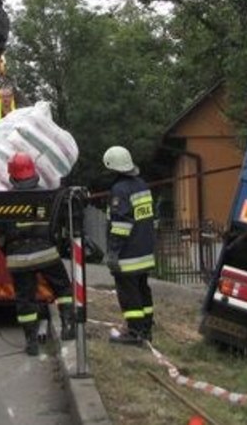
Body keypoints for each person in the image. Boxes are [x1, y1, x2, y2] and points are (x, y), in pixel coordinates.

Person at [0, 152, 76, 356]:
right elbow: (57, 226)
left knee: (25, 299)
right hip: (46, 252)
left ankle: (31, 342)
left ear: (11, 175)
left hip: (18, 258)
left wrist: (9, 252)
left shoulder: (4, 201)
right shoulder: (46, 196)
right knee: (63, 288)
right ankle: (67, 326)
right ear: (34, 172)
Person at [102, 145, 156, 345]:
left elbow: (122, 224)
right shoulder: (142, 185)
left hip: (128, 254)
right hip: (145, 250)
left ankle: (134, 332)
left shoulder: (119, 190)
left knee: (129, 294)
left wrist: (113, 253)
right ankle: (146, 329)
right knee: (143, 289)